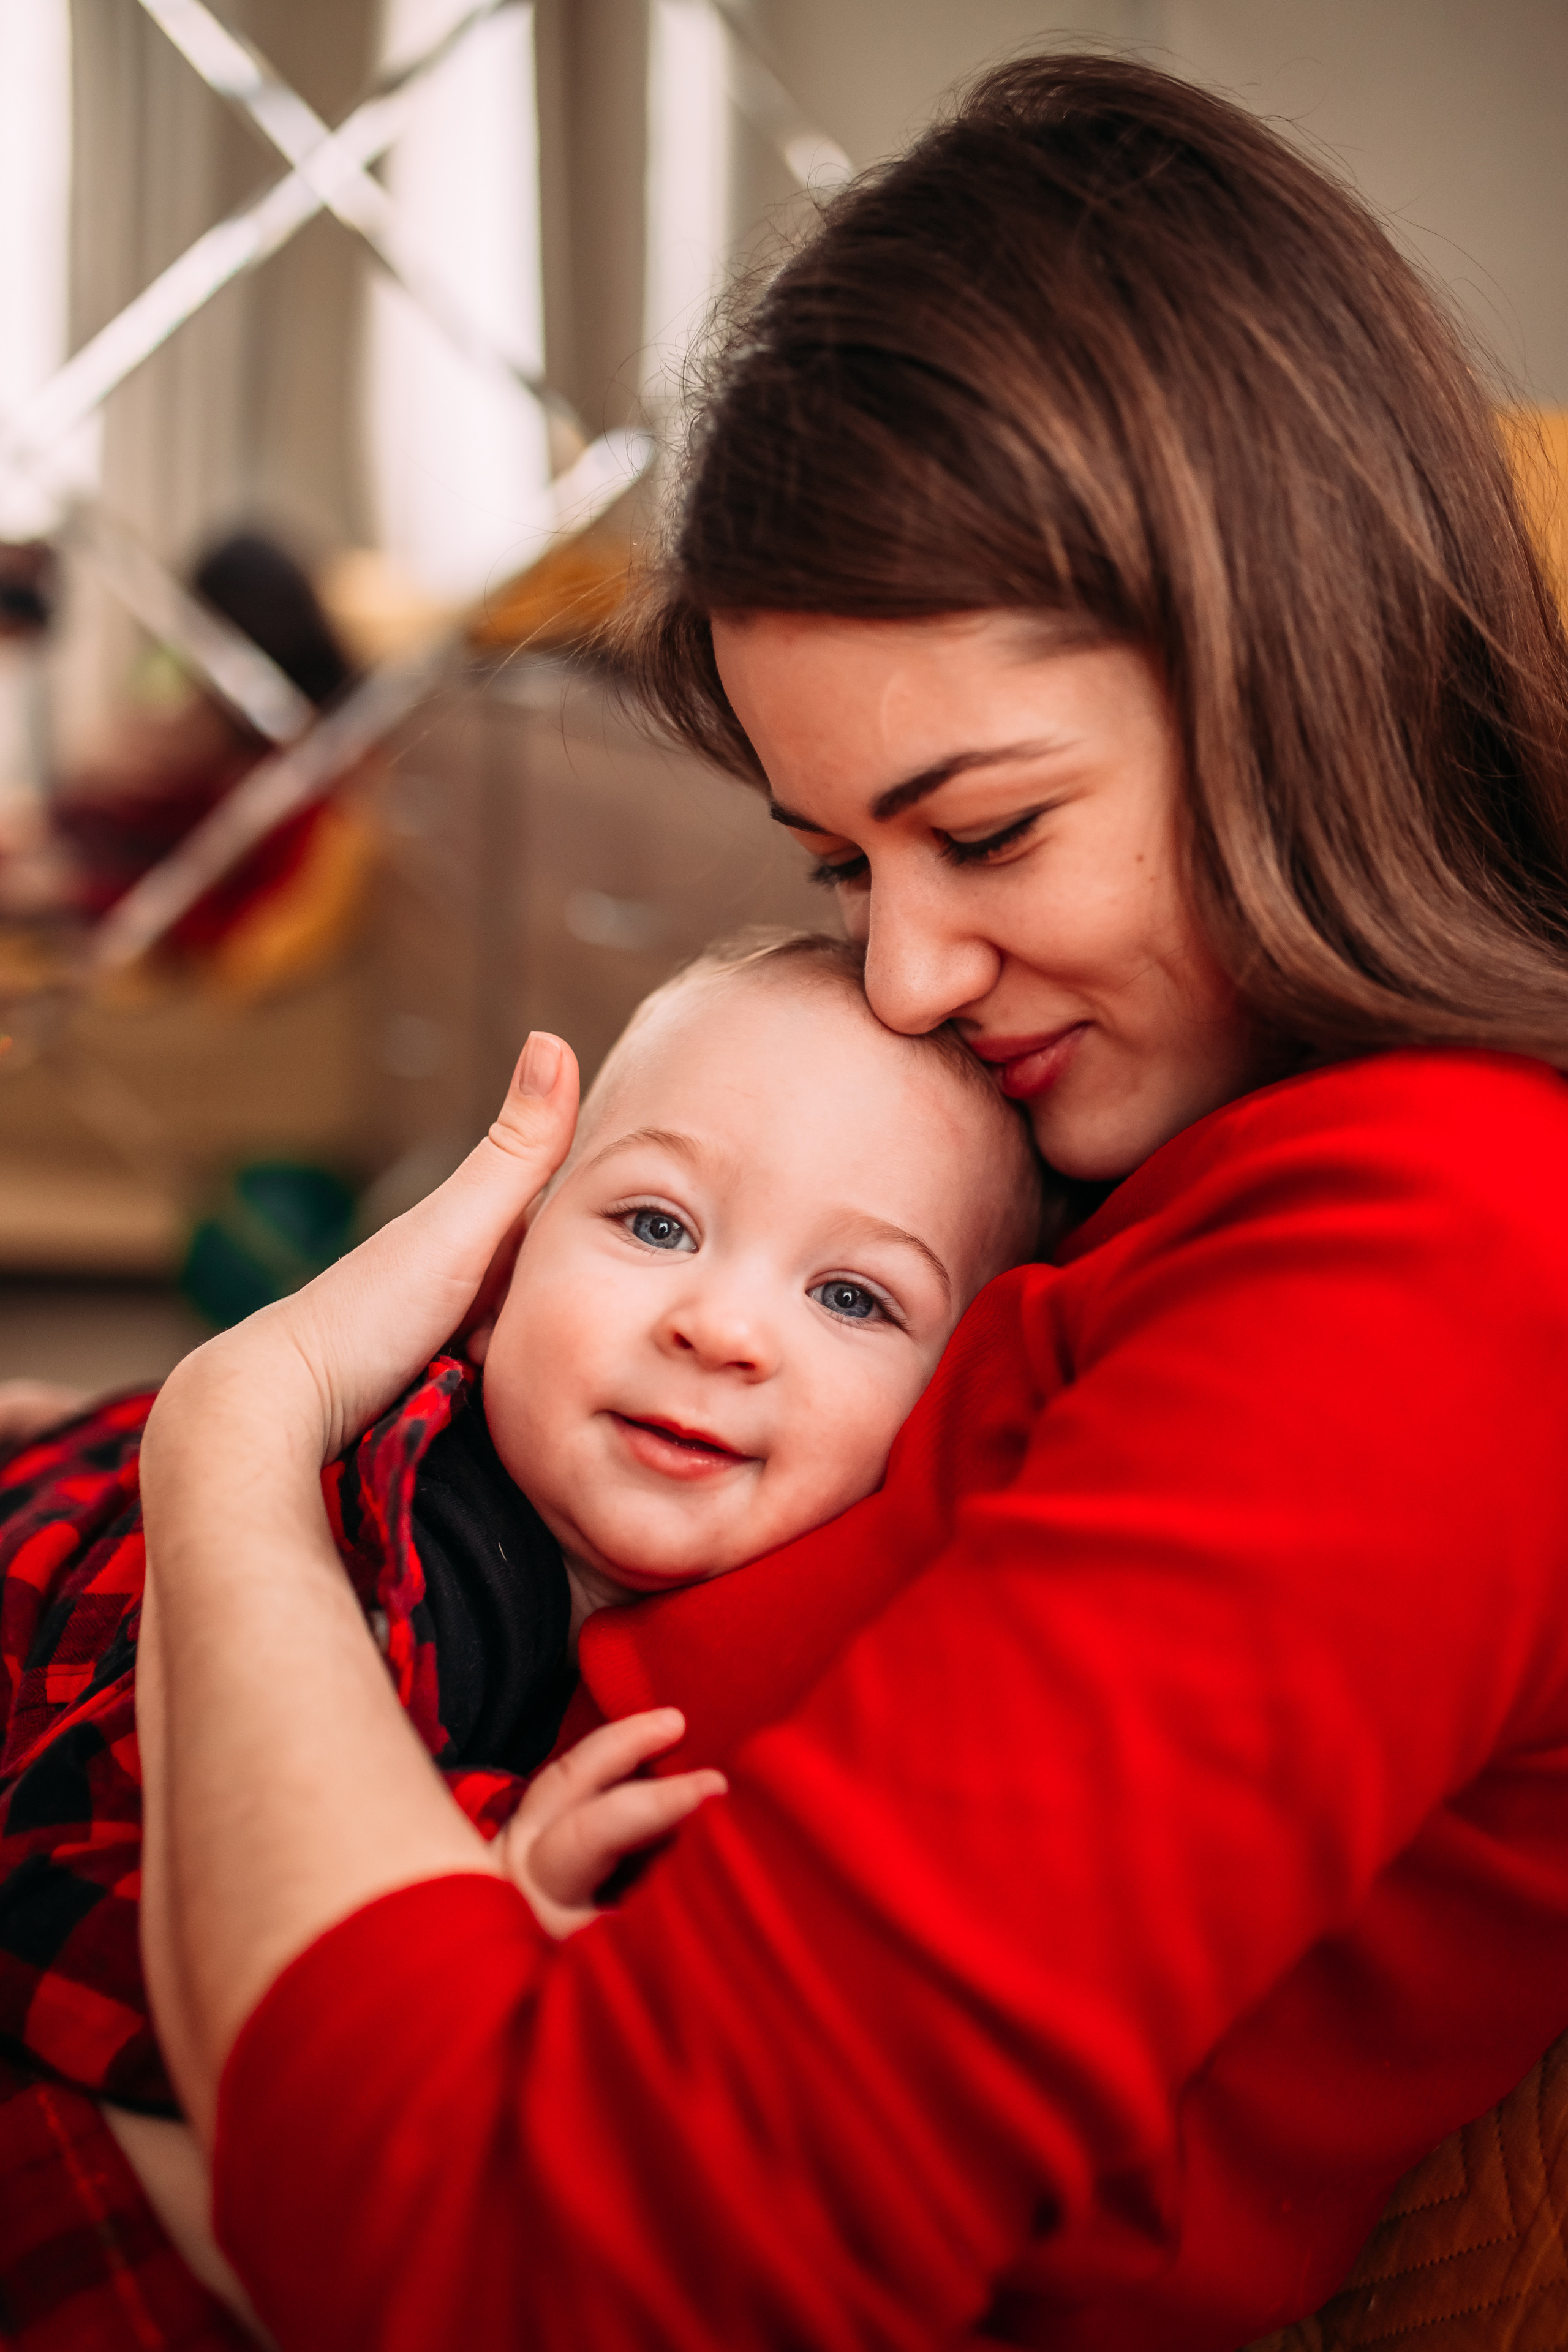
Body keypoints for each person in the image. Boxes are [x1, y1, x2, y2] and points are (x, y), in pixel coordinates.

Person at [115, 49, 1568, 2352]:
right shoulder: (1170, 1152)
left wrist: (226, 1465)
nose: (904, 970)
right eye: (840, 864)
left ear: (1305, 683)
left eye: (983, 832)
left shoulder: (1449, 1260)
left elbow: (529, 2271)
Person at [0, 925, 1038, 2094]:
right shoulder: (430, 1568)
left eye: (852, 1297)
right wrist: (475, 1893)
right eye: (659, 1225)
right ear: (495, 1282)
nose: (723, 1331)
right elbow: (60, 1896)